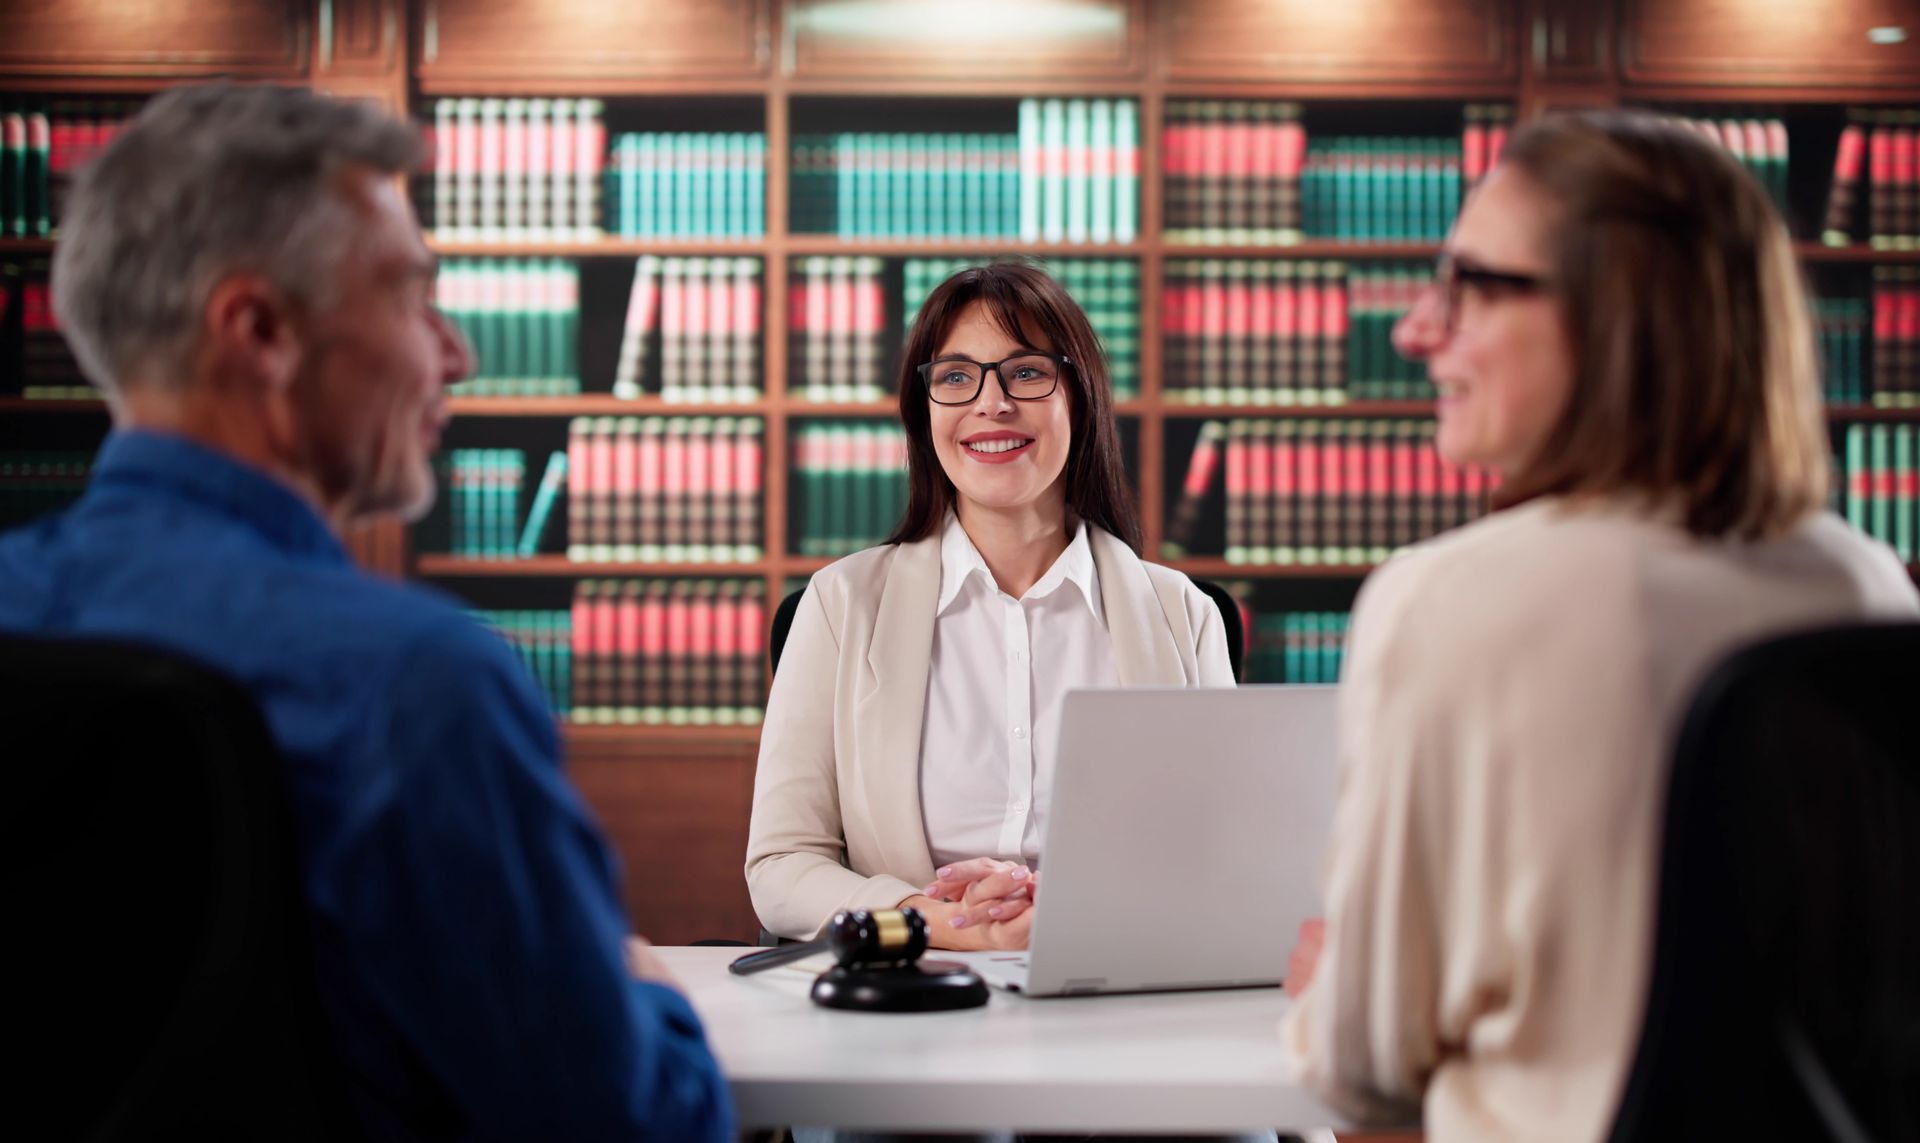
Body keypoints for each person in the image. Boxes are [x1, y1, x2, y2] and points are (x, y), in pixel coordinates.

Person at [0, 84, 732, 1141]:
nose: (455, 353)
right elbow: (626, 1125)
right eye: (410, 295)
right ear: (260, 332)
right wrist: (646, 989)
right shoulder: (416, 687)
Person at [1279, 110, 1920, 1142]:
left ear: (1619, 314)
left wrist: (1326, 995)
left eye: (1469, 287)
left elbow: (1362, 1068)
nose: (1415, 331)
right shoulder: (1872, 585)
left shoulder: (1445, 601)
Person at [746, 261, 1236, 951]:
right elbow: (781, 865)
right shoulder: (840, 606)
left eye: (1027, 373)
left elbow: (1219, 854)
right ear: (924, 413)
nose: (992, 403)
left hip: (1115, 991)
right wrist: (941, 922)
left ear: (1081, 397)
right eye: (955, 377)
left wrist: (1069, 910)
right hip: (911, 995)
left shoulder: (1184, 615)